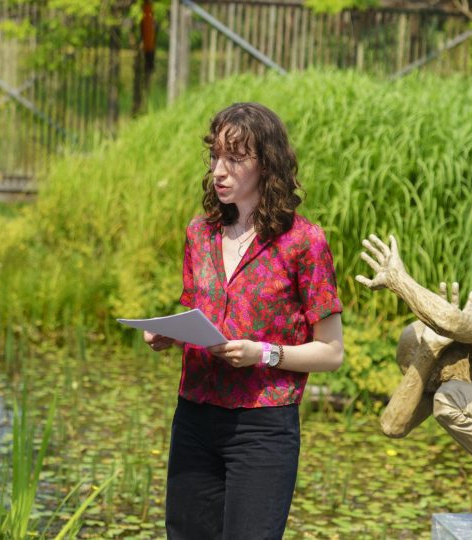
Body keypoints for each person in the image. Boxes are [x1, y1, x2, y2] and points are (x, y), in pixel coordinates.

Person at [144, 102, 344, 540]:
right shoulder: (200, 233)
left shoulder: (304, 243)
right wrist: (170, 332)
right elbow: (199, 312)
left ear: (267, 164)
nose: (219, 170)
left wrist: (263, 354)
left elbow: (331, 352)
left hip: (263, 429)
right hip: (194, 417)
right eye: (215, 156)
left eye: (235, 158)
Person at [356, 233, 472, 539]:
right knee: (446, 399)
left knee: (450, 399)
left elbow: (454, 323)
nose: (434, 380)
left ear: (448, 347)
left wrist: (399, 281)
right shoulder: (462, 380)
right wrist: (426, 355)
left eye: (433, 370)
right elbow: (393, 426)